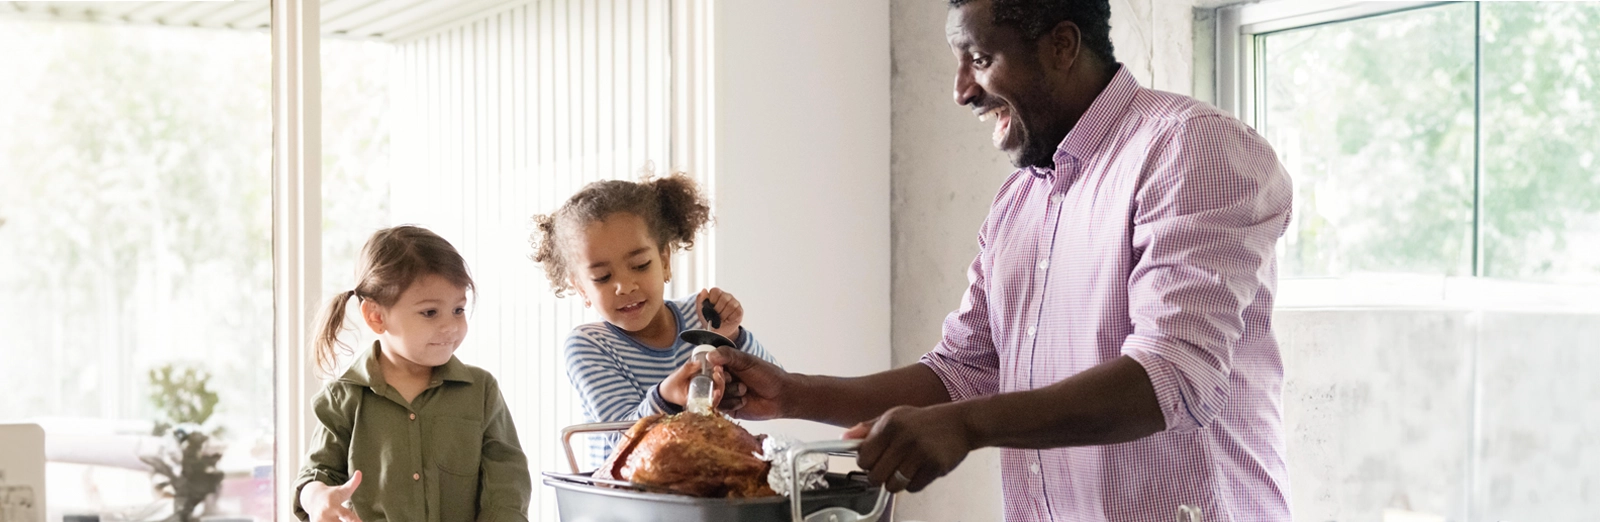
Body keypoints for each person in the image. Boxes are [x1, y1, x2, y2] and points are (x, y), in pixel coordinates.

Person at [709, 0, 1294, 520]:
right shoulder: (1020, 202)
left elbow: (1172, 378)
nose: (961, 90)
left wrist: (967, 426)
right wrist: (791, 394)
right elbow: (960, 372)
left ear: (1062, 45)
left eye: (980, 58)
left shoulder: (1191, 149)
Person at [530, 169, 778, 468]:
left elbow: (776, 388)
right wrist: (666, 396)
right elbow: (622, 441)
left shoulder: (701, 318)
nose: (625, 286)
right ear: (581, 288)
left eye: (640, 265)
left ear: (664, 260)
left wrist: (732, 337)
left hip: (704, 484)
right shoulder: (589, 345)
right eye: (602, 277)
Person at [294, 225, 531, 522]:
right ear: (376, 316)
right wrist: (318, 498)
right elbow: (315, 476)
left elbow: (507, 484)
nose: (451, 326)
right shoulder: (343, 398)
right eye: (430, 312)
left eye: (458, 310)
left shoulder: (481, 390)